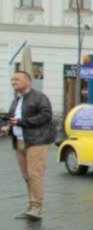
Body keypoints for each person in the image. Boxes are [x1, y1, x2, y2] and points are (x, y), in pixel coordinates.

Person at [3, 70, 55, 220]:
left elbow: (46, 116)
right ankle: (31, 206)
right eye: (12, 80)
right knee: (26, 176)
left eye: (17, 80)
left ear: (28, 81)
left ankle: (37, 207)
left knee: (34, 175)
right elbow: (13, 118)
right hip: (19, 141)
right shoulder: (17, 99)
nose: (13, 82)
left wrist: (21, 122)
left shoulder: (39, 97)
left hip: (36, 141)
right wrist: (8, 126)